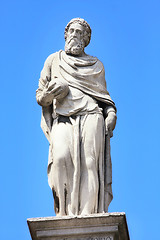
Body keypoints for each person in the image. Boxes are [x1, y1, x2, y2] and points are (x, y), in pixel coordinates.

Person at [36, 18, 117, 216]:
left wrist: (111, 114)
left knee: (90, 163)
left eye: (79, 32)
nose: (74, 35)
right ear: (65, 34)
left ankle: (90, 214)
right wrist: (52, 94)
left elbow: (105, 98)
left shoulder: (96, 65)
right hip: (63, 117)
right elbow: (40, 96)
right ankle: (64, 213)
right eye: (71, 31)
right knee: (61, 158)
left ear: (86, 38)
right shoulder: (53, 60)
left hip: (92, 115)